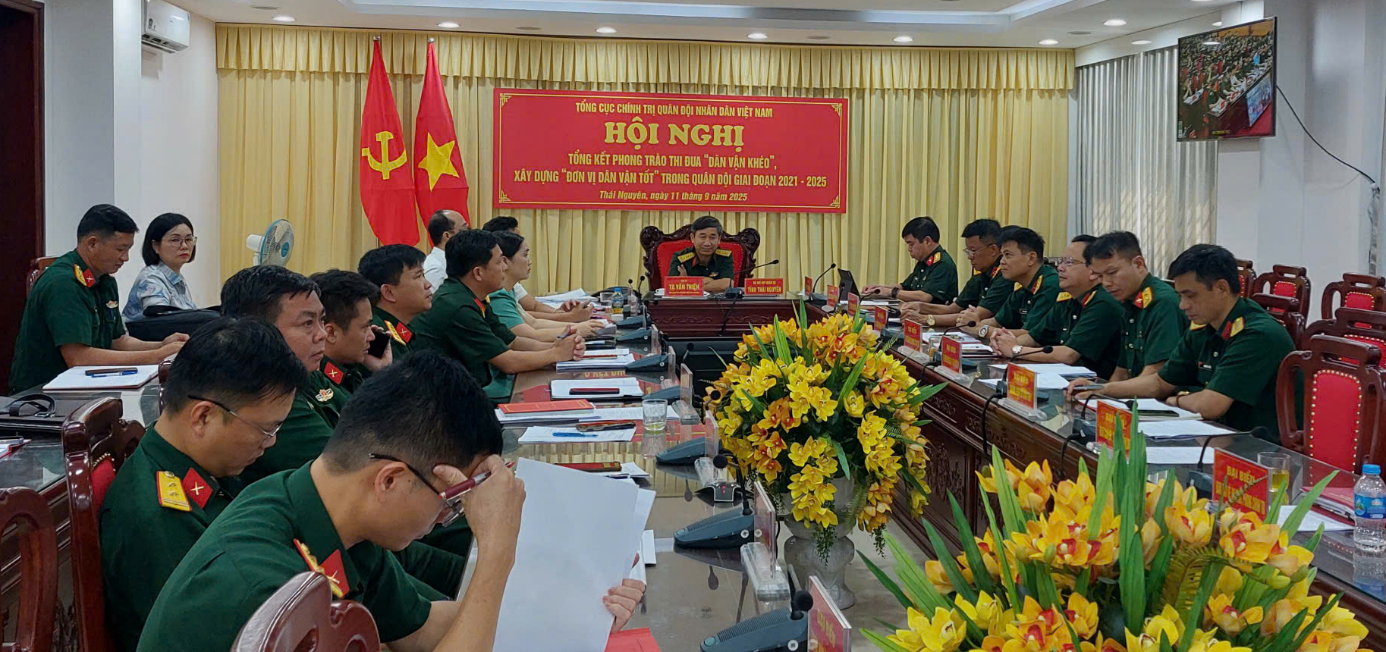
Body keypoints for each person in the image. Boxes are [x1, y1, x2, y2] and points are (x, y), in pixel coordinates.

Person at [136, 352, 647, 652]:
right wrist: (496, 551)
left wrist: (579, 612)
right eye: (450, 503)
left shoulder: (325, 512)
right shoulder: (267, 588)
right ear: (391, 480)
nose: (445, 519)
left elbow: (424, 630)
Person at [221, 266, 468, 596]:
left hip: (374, 534)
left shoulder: (313, 379)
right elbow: (365, 473)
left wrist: (381, 374)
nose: (321, 335)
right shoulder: (272, 405)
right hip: (349, 542)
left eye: (322, 322)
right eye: (307, 324)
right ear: (259, 332)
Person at [100, 317, 307, 652]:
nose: (270, 442)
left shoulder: (205, 464)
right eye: (266, 429)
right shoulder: (158, 518)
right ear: (203, 417)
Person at [1072, 244, 1293, 443]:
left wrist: (1176, 401)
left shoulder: (1257, 334)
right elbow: (1160, 383)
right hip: (1213, 437)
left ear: (1221, 288)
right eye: (1180, 296)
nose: (1183, 305)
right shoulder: (1203, 327)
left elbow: (1210, 405)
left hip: (1260, 451)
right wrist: (1101, 389)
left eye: (1190, 295)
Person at [10, 204, 187, 392]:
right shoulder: (64, 283)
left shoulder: (104, 281)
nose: (125, 258)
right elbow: (79, 358)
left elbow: (117, 341)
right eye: (120, 249)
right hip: (41, 396)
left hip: (86, 389)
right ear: (92, 244)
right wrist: (156, 356)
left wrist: (162, 345)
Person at [411, 229, 584, 402]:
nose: (505, 267)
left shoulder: (472, 297)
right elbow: (509, 362)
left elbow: (513, 342)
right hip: (443, 399)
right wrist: (556, 354)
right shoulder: (456, 305)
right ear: (478, 273)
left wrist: (556, 347)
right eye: (499, 262)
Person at [1066, 232, 1186, 398]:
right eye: (1100, 276)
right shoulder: (1129, 302)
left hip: (1160, 402)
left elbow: (1154, 377)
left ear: (1138, 264)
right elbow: (1122, 372)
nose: (1106, 283)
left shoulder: (1162, 303)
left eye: (1112, 272)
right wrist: (1099, 396)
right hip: (1134, 398)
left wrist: (1102, 390)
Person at [988, 236, 1123, 378]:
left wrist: (1015, 349)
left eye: (1069, 262)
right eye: (1061, 261)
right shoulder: (1067, 297)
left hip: (1096, 385)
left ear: (1094, 271)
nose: (1060, 267)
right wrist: (1003, 344)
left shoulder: (1104, 302)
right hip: (1066, 379)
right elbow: (1035, 337)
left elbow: (1069, 354)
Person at [490, 232, 604, 342]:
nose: (530, 262)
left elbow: (534, 323)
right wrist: (576, 329)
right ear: (505, 261)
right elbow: (530, 336)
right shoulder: (498, 296)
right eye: (525, 255)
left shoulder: (509, 290)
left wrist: (580, 325)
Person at [899, 218, 1012, 329]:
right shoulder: (981, 275)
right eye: (967, 251)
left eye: (973, 251)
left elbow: (975, 316)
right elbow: (953, 309)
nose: (970, 257)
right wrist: (920, 306)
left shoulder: (1004, 276)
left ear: (993, 250)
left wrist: (925, 318)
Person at [481, 216, 592, 323]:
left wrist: (560, 313)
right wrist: (570, 319)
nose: (529, 261)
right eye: (513, 238)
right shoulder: (497, 293)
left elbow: (532, 310)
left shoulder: (509, 288)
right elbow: (525, 326)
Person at [960, 226, 1059, 340]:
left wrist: (981, 329)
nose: (1002, 262)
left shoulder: (1050, 284)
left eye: (1008, 255)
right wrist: (972, 322)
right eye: (1002, 255)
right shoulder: (1021, 285)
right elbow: (997, 322)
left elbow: (1029, 335)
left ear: (1031, 258)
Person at [312, 270, 394, 393]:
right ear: (331, 333)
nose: (372, 336)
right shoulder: (315, 383)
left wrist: (383, 371)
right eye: (365, 327)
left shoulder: (350, 374)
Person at [358, 244, 433, 361]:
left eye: (423, 275)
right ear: (388, 292)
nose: (428, 284)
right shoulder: (376, 334)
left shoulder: (407, 325)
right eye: (418, 276)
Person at [122, 212, 199, 322]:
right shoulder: (151, 278)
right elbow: (161, 323)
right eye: (175, 240)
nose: (184, 246)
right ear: (155, 246)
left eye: (189, 239)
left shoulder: (177, 279)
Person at [863, 216, 957, 304]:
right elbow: (905, 287)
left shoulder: (942, 263)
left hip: (933, 315)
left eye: (911, 244)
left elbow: (925, 297)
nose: (909, 249)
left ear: (927, 241)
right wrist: (879, 288)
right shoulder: (924, 261)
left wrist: (891, 292)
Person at [667, 215, 734, 293]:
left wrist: (688, 283)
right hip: (689, 300)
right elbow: (673, 286)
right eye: (702, 237)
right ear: (692, 238)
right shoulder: (680, 257)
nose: (707, 243)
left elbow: (727, 284)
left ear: (719, 239)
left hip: (717, 301)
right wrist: (713, 283)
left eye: (712, 237)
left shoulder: (725, 256)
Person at [423, 209, 465, 293]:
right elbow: (434, 300)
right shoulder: (435, 268)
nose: (469, 234)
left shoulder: (453, 261)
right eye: (464, 229)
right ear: (447, 235)